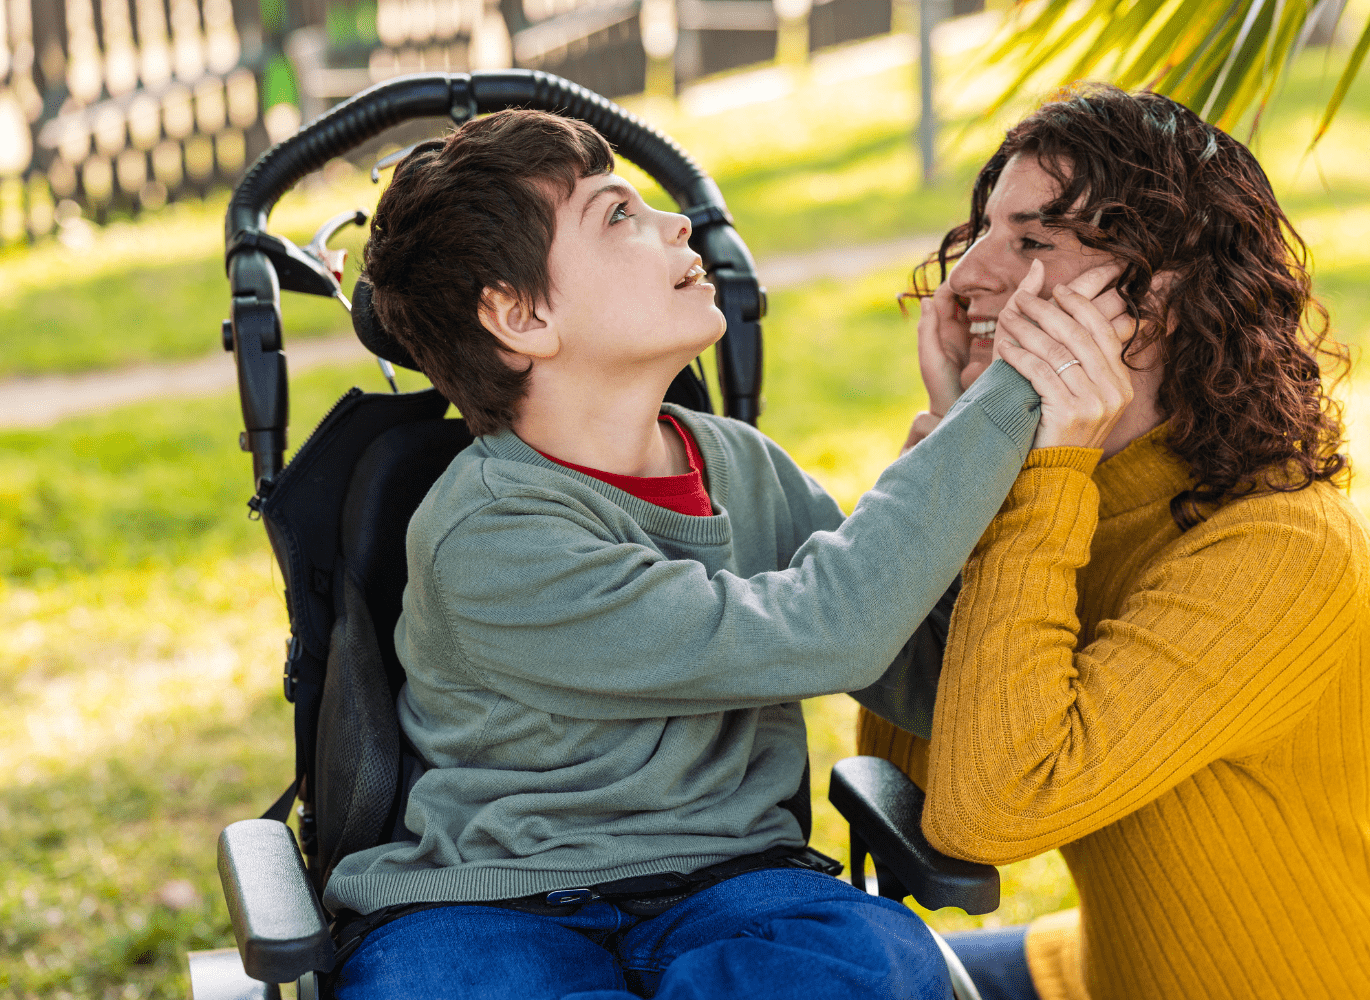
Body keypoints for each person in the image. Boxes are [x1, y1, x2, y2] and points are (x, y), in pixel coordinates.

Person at [319, 108, 1130, 999]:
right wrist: (1021, 384)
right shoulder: (490, 534)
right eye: (617, 214)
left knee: (875, 966)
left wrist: (955, 427)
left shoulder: (742, 467)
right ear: (519, 314)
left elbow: (925, 679)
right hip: (491, 903)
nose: (677, 224)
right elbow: (828, 630)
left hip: (736, 882)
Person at [858, 84, 1370, 1000]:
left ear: (1159, 295)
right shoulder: (1070, 495)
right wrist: (959, 471)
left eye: (1033, 241)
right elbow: (915, 765)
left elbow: (990, 810)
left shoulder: (1284, 551)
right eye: (984, 233)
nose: (965, 279)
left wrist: (1032, 476)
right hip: (1104, 968)